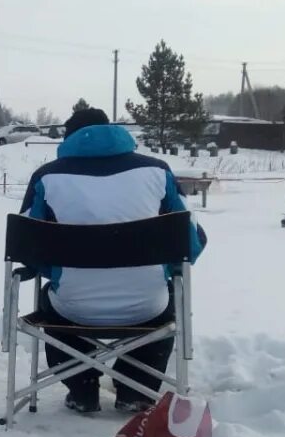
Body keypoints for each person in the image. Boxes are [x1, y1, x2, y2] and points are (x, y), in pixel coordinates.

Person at [20, 108, 206, 414]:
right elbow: (191, 242)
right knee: (168, 297)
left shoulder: (48, 177)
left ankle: (82, 387)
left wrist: (56, 270)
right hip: (148, 306)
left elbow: (27, 244)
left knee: (50, 299)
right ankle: (136, 388)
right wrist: (163, 268)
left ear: (69, 137)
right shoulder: (158, 172)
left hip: (72, 308)